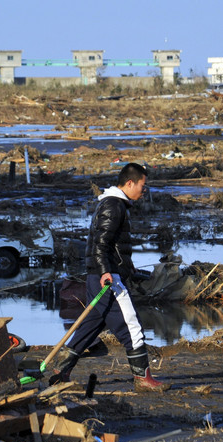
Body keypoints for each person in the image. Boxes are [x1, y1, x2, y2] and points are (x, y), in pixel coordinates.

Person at [50, 163, 170, 392]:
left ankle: (60, 371)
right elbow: (100, 244)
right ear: (130, 183)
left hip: (102, 275)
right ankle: (143, 379)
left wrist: (127, 264)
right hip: (107, 279)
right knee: (132, 327)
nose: (144, 191)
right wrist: (107, 271)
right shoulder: (114, 206)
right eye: (143, 186)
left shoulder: (116, 205)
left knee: (91, 325)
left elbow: (112, 244)